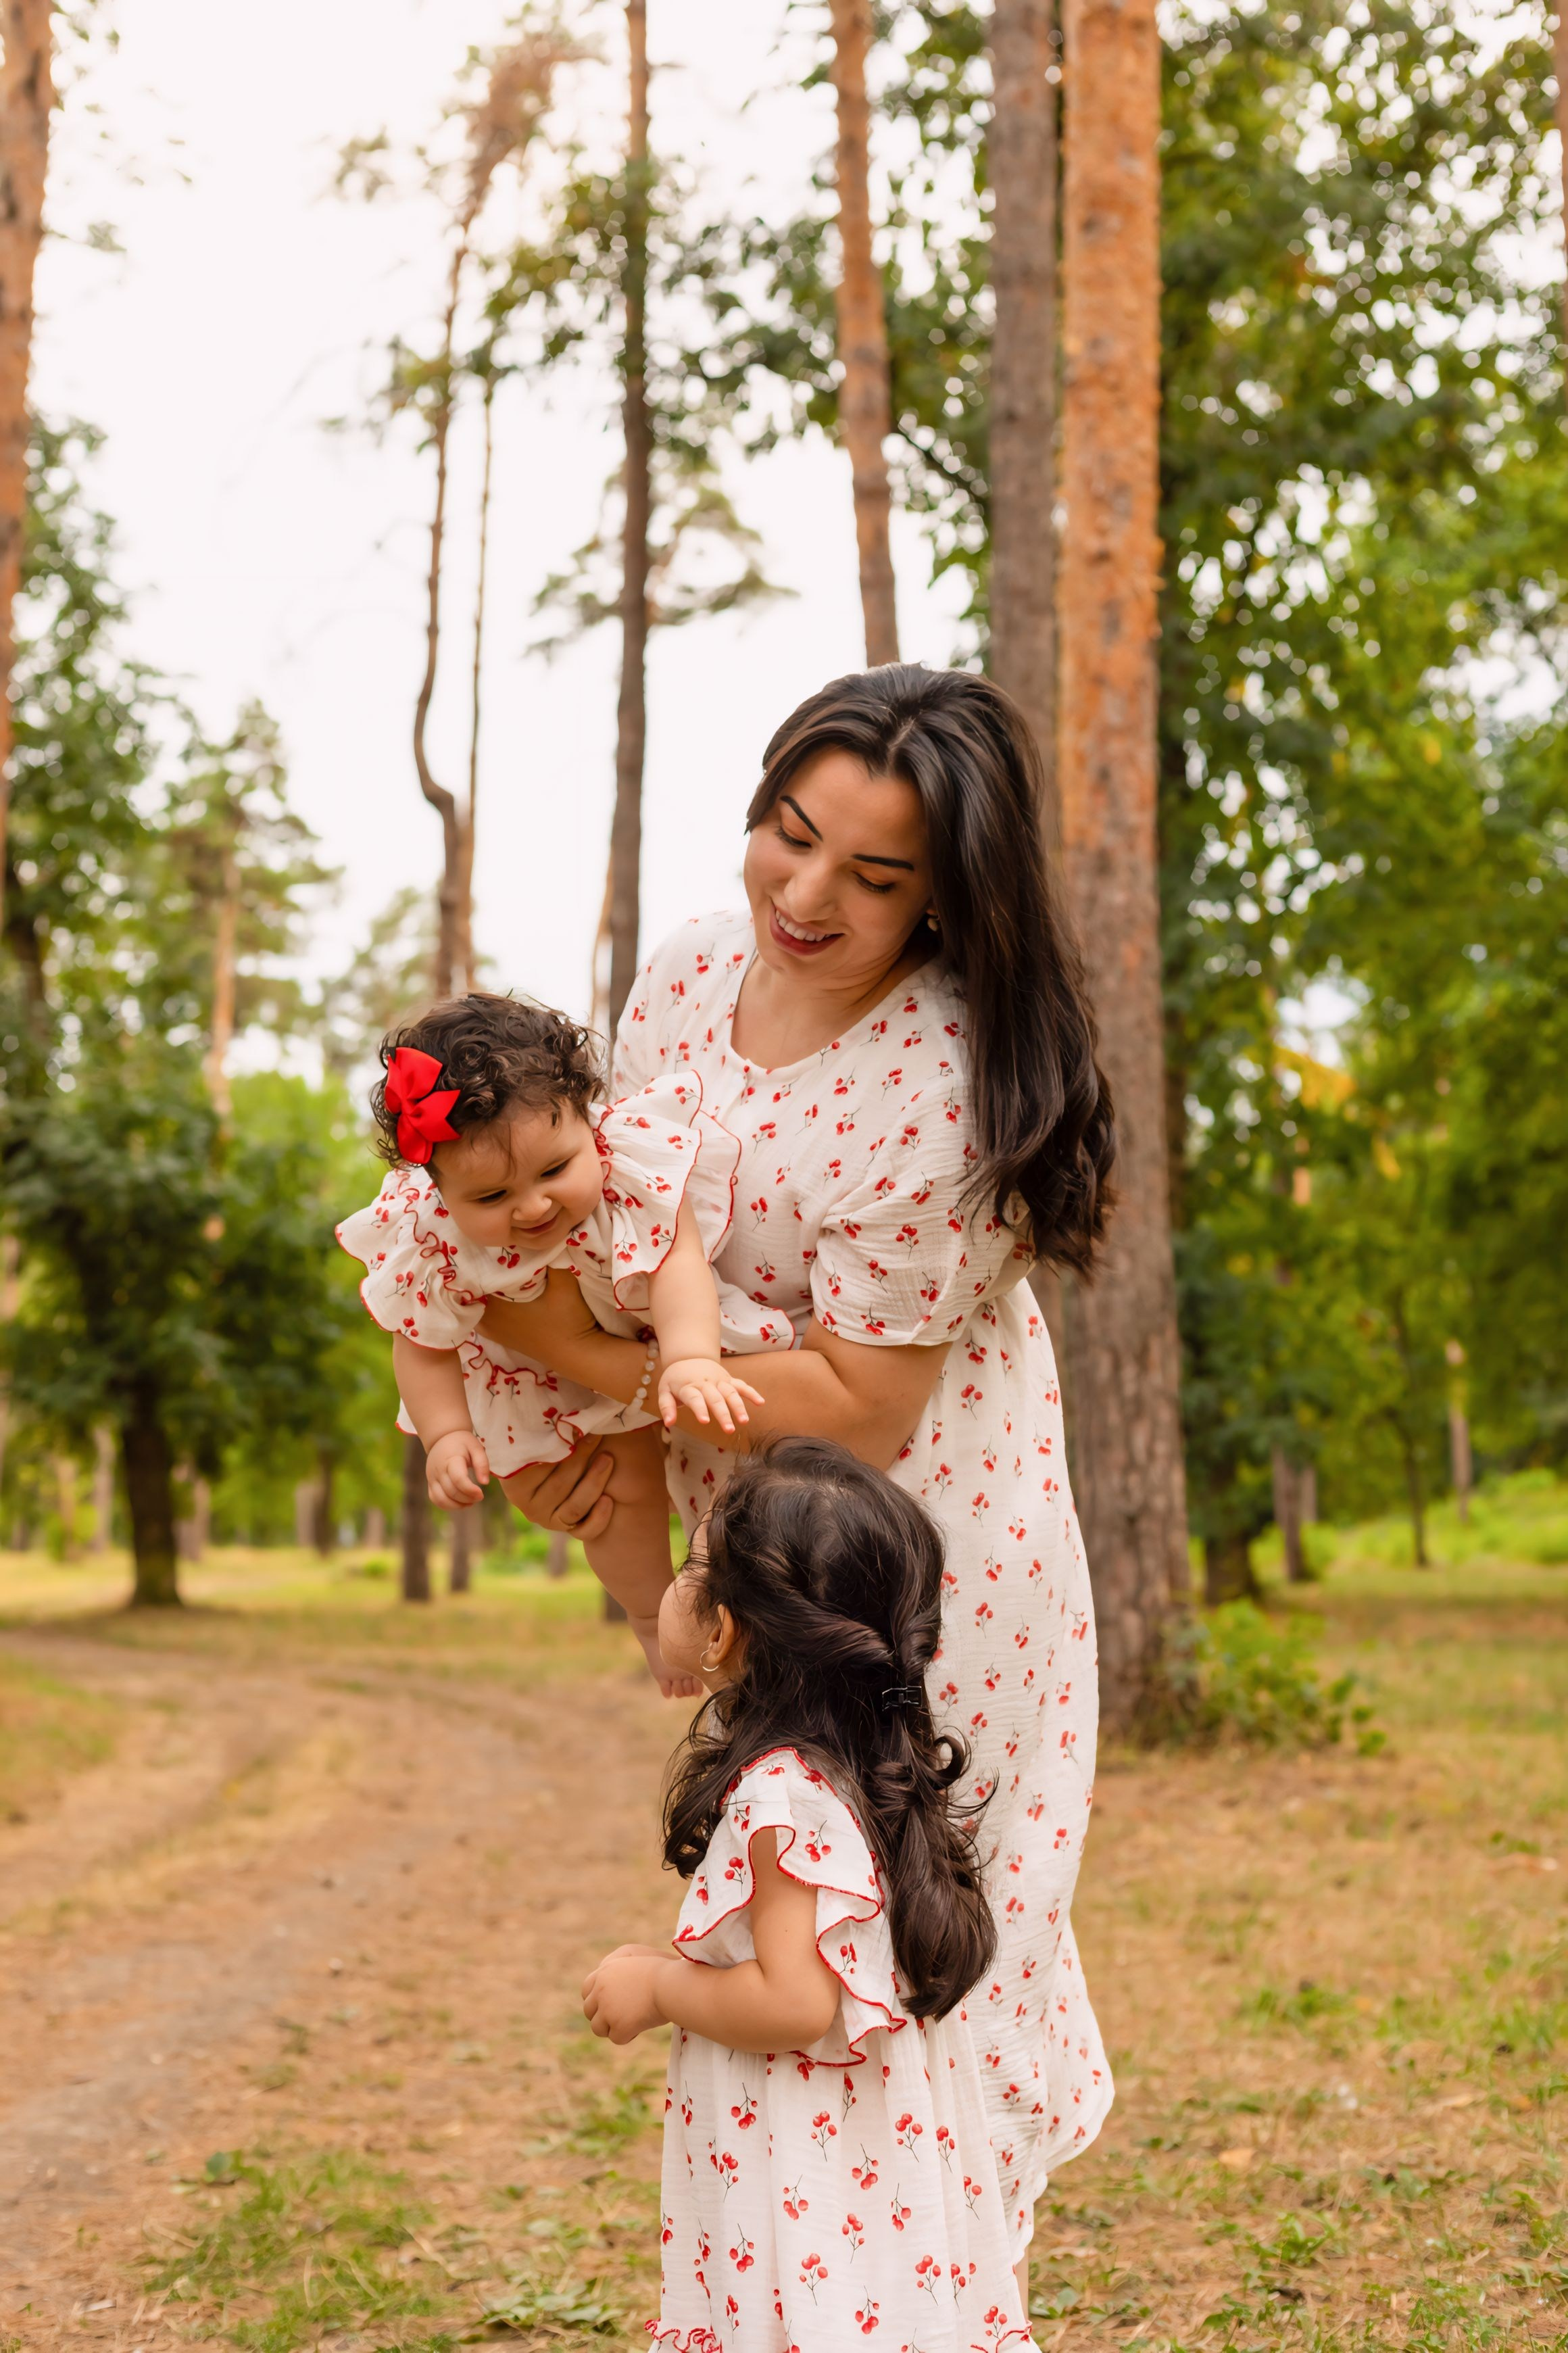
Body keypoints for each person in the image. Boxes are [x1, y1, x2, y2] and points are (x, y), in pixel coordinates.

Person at [480, 664, 1117, 2275]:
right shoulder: (690, 975)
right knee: (781, 1942)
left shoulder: (947, 1082)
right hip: (757, 1534)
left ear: (946, 900)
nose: (805, 892)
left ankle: (939, 2303)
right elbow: (623, 1222)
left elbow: (864, 1402)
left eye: (875, 875)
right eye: (788, 832)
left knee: (895, 1973)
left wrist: (584, 1373)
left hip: (924, 1574)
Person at [584, 1437, 1037, 2353]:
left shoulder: (783, 1793)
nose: (675, 1585)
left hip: (810, 2161)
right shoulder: (864, 1768)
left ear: (723, 1630)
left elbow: (795, 2000)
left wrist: (659, 1988)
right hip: (868, 2156)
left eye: (692, 1566)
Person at [337, 993, 783, 1691]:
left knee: (709, 1458)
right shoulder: (437, 1242)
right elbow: (420, 1342)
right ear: (440, 1191)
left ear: (586, 1118)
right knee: (618, 1494)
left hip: (644, 1335)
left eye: (554, 1170)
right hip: (532, 1385)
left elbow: (676, 1261)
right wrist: (447, 1434)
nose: (534, 1206)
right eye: (491, 1198)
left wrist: (691, 1356)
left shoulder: (629, 1172)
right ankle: (646, 1616)